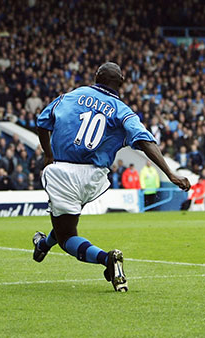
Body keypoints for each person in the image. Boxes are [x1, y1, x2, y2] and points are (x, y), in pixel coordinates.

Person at [33, 62, 190, 292]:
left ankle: (107, 259)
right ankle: (43, 244)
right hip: (95, 177)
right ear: (122, 83)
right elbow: (145, 141)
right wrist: (169, 173)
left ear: (96, 76)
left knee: (67, 236)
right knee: (65, 218)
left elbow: (42, 122)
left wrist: (48, 154)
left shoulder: (70, 96)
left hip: (64, 171)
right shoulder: (123, 110)